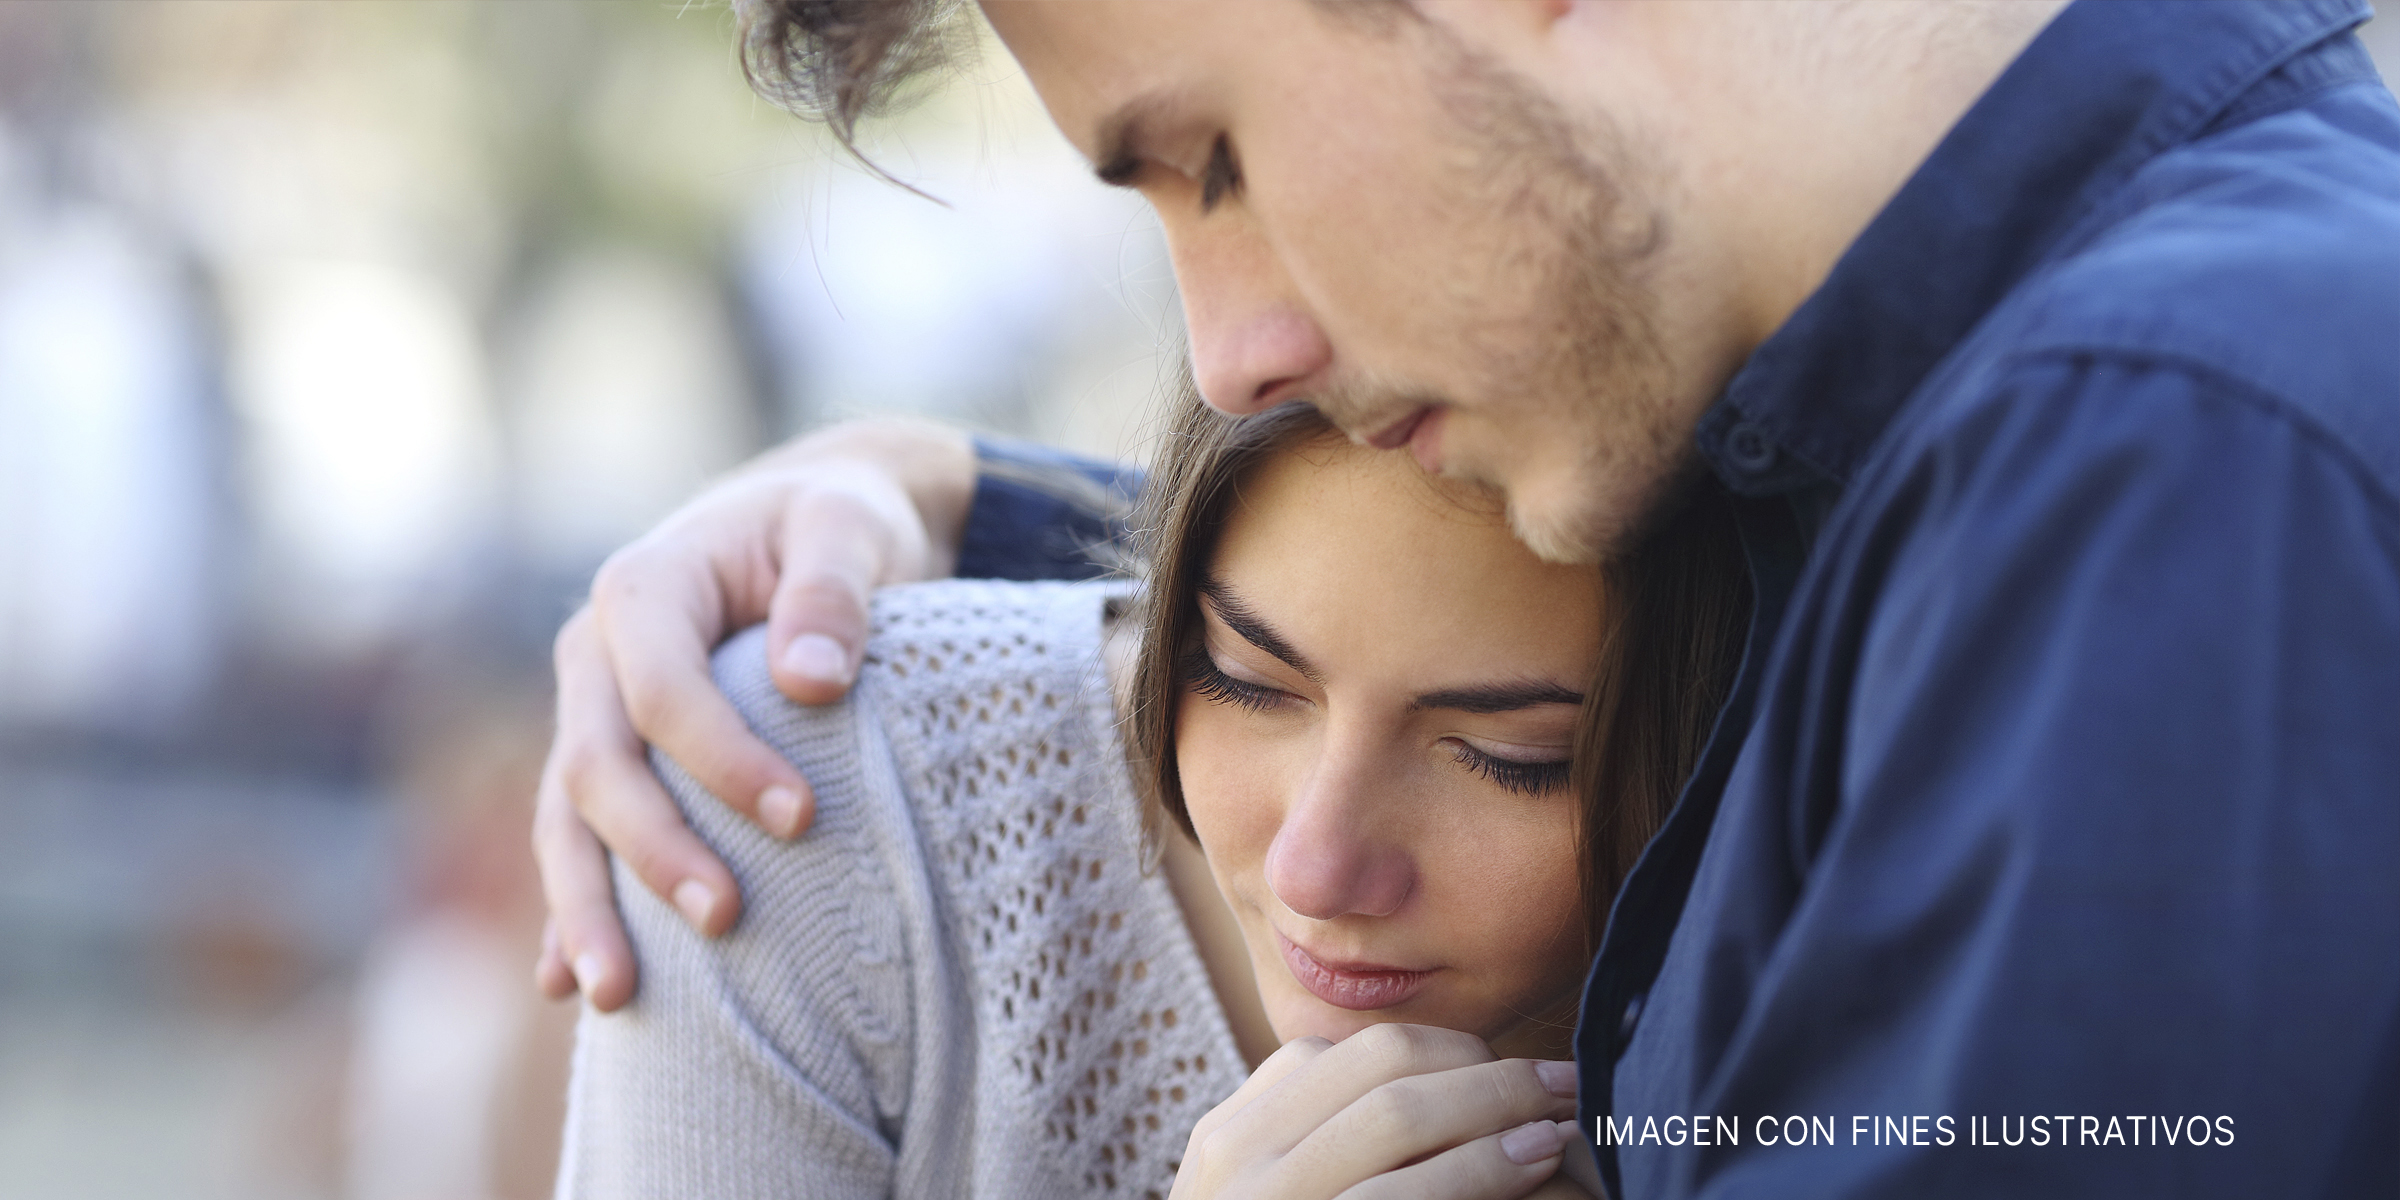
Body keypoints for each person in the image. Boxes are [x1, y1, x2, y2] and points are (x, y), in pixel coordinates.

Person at [536, 2, 2400, 1196]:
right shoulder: (2008, 436)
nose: (1235, 350)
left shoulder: (2164, 466)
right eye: (1242, 671)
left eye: (1216, 162)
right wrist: (956, 506)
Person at [553, 395, 1746, 1197]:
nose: (1311, 871)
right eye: (1244, 679)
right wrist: (936, 476)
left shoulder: (1831, 973)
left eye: (1509, 758)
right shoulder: (809, 798)